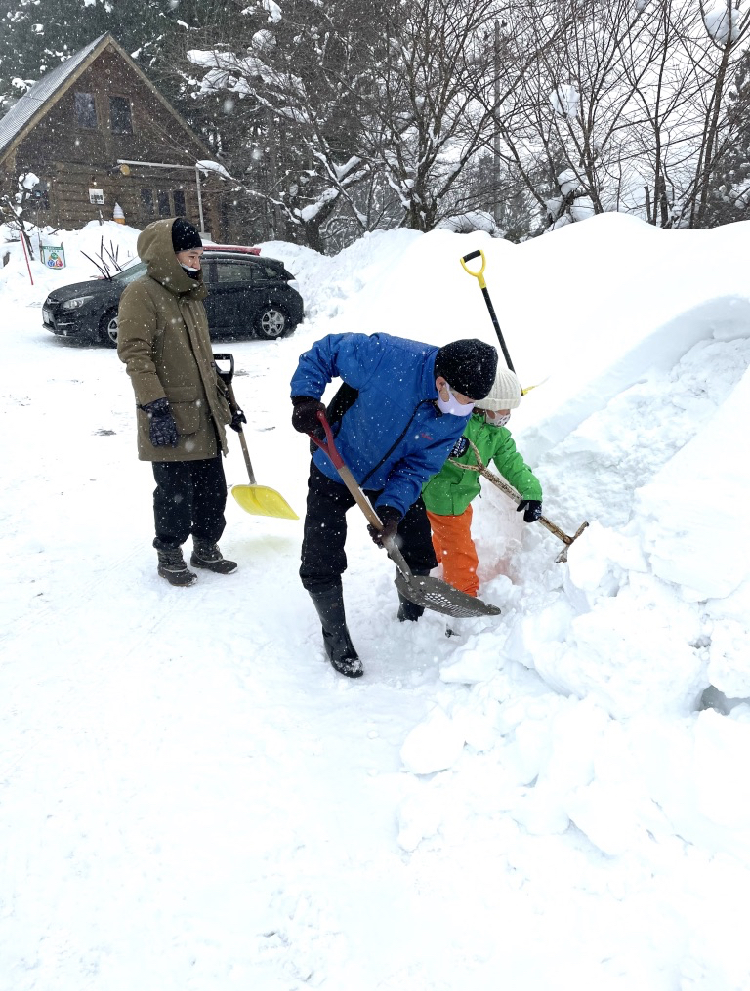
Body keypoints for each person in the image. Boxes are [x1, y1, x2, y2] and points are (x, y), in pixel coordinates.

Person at [290, 332, 498, 678]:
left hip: (389, 477)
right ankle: (335, 634)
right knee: (321, 555)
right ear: (442, 383)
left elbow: (419, 466)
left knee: (417, 550)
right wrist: (305, 398)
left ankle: (411, 615)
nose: (468, 409)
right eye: (466, 399)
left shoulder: (456, 415)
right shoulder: (386, 356)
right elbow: (325, 353)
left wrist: (392, 508)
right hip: (335, 460)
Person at [117, 217, 245, 586]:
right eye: (191, 255)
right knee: (174, 493)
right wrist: (154, 406)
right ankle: (169, 552)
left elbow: (205, 359)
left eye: (199, 256)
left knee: (212, 490)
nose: (197, 262)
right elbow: (134, 354)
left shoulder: (191, 296)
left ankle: (205, 546)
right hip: (169, 414)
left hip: (203, 413)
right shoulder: (141, 293)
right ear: (168, 256)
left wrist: (227, 403)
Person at [422, 366, 542, 598]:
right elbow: (427, 436)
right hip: (440, 494)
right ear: (486, 405)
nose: (507, 414)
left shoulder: (498, 436)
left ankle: (434, 560)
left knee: (450, 534)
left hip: (459, 498)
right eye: (504, 409)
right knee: (460, 550)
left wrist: (532, 492)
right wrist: (448, 444)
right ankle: (463, 594)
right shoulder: (456, 420)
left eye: (510, 410)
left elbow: (514, 464)